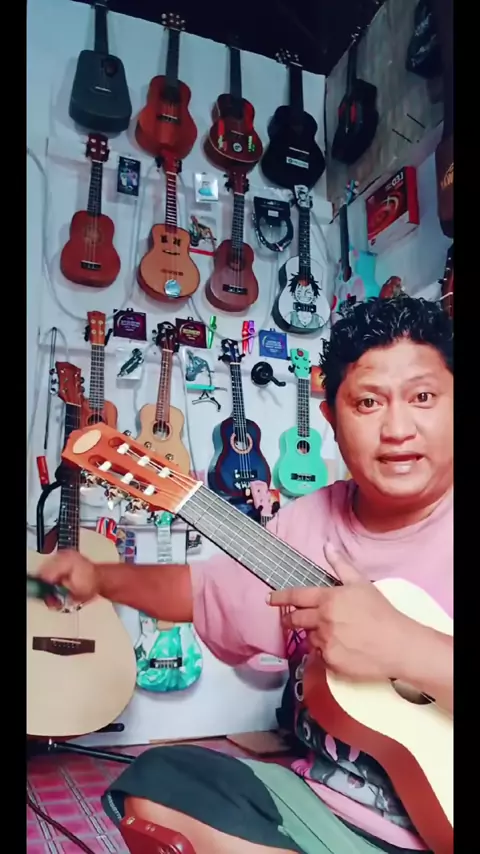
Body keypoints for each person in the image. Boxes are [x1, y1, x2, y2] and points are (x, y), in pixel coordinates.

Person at [36, 295, 453, 854]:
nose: (397, 429)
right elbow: (205, 591)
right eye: (368, 402)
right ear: (331, 421)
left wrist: (403, 647)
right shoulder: (307, 525)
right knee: (160, 781)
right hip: (322, 809)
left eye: (423, 397)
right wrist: (100, 577)